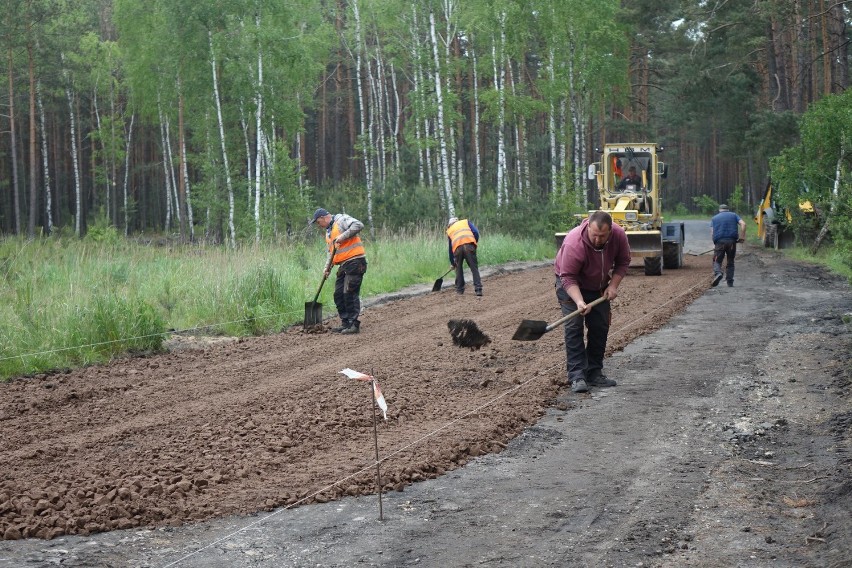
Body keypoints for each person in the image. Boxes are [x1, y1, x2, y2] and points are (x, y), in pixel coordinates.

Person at [554, 210, 631, 393]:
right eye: (594, 235)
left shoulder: (619, 236)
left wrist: (613, 286)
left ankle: (594, 372)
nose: (597, 240)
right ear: (588, 227)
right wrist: (579, 301)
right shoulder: (574, 243)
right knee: (574, 327)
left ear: (610, 231)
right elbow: (568, 277)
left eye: (602, 236)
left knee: (600, 325)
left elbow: (623, 261)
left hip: (598, 285)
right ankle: (577, 376)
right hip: (570, 285)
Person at [310, 207, 368, 334]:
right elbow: (330, 253)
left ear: (323, 218)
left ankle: (354, 325)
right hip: (343, 264)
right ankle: (345, 323)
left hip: (355, 261)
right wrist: (327, 268)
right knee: (338, 294)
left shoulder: (341, 220)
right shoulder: (329, 232)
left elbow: (359, 225)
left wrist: (343, 236)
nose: (319, 226)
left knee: (349, 293)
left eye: (318, 223)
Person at [710, 204, 746, 287]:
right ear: (728, 210)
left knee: (717, 260)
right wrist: (742, 237)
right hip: (732, 242)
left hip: (719, 242)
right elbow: (743, 224)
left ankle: (718, 273)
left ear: (720, 210)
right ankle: (730, 282)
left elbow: (712, 232)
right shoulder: (734, 215)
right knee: (730, 261)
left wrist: (714, 243)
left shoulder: (714, 218)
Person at [446, 217, 483, 296]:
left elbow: (450, 248)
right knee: (474, 268)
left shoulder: (449, 230)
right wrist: (473, 242)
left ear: (450, 225)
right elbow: (476, 232)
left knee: (458, 269)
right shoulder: (465, 222)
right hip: (469, 246)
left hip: (457, 249)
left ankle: (459, 290)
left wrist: (453, 263)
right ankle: (478, 289)